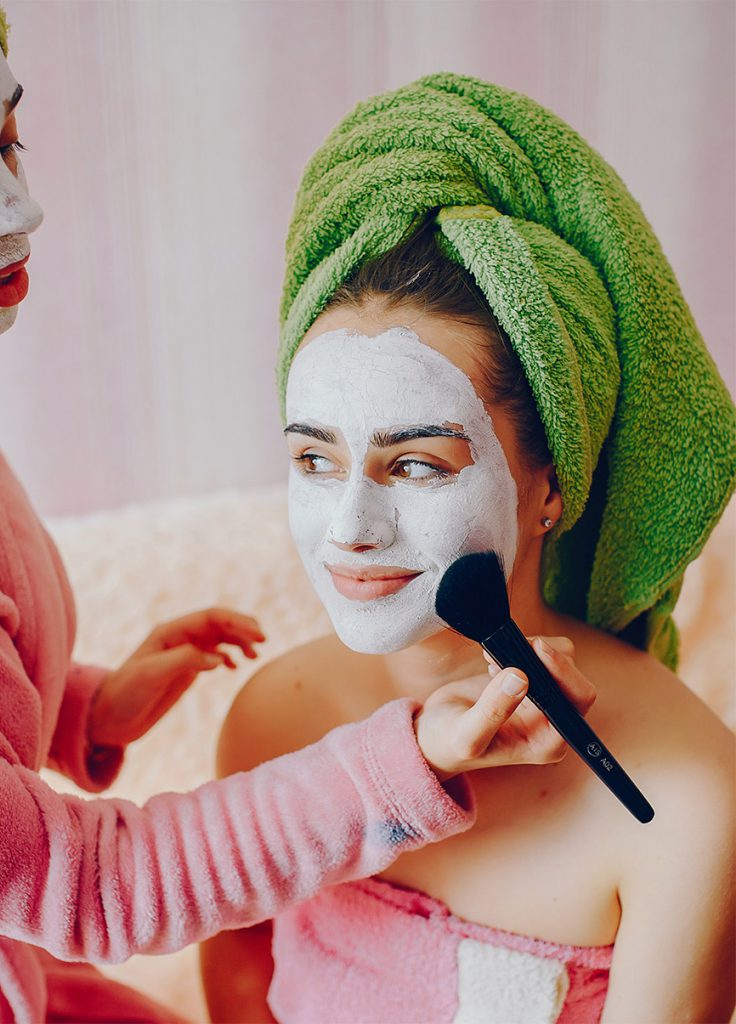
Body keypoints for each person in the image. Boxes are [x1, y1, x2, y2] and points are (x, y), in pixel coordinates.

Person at [0, 11, 591, 1021]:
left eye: (9, 142)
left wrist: (79, 707)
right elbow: (90, 885)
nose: (17, 209)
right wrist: (411, 757)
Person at [201, 75, 736, 1023]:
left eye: (415, 466)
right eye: (315, 459)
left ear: (551, 487)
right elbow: (240, 992)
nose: (350, 528)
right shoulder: (273, 720)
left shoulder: (682, 802)